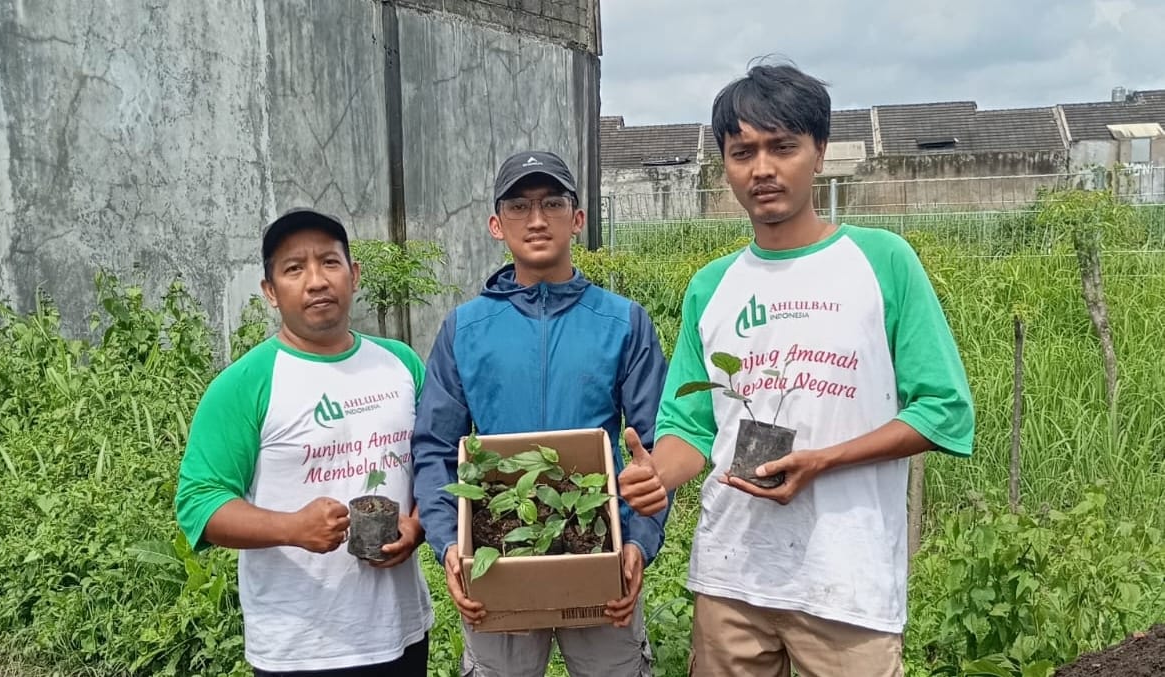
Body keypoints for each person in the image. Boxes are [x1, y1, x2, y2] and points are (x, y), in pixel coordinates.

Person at [617, 60, 976, 676]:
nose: (762, 168)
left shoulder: (881, 261)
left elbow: (943, 410)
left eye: (782, 147)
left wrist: (823, 460)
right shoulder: (711, 286)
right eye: (742, 152)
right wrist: (659, 475)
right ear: (725, 165)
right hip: (731, 581)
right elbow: (691, 426)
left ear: (820, 151)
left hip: (846, 586)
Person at [412, 150, 669, 677]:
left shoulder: (622, 322)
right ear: (496, 224)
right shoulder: (465, 329)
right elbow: (435, 447)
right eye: (519, 206)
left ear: (578, 218)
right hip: (499, 551)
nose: (536, 219)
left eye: (552, 203)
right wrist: (451, 546)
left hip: (599, 550)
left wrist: (638, 542)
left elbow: (656, 445)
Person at [174, 208, 433, 676]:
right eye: (294, 269)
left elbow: (435, 463)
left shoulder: (401, 364)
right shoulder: (245, 384)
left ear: (354, 274)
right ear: (270, 291)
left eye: (329, 262)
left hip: (402, 631)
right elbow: (199, 504)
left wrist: (416, 525)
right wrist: (293, 527)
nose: (316, 281)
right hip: (300, 646)